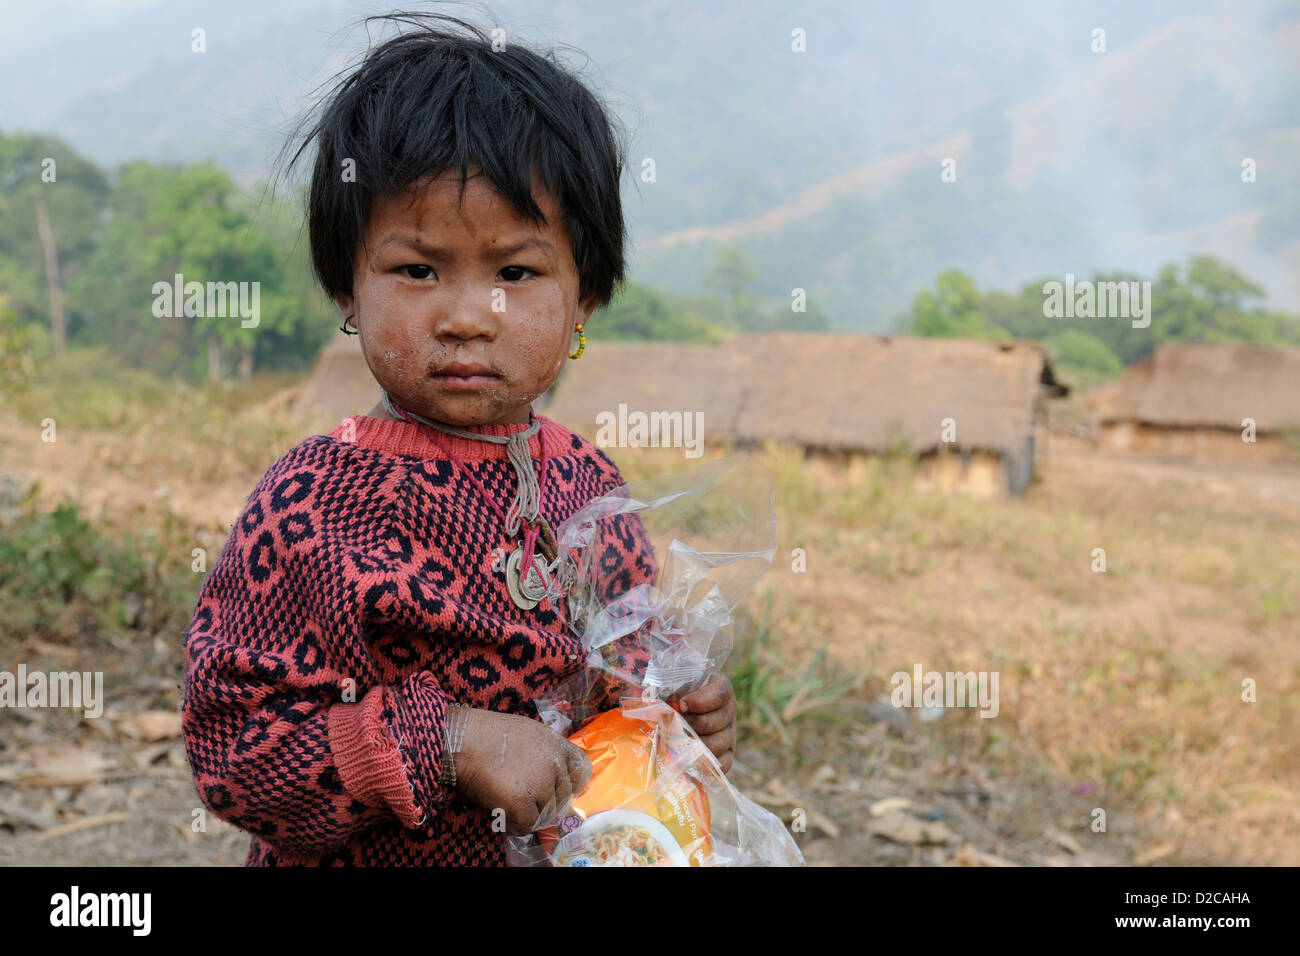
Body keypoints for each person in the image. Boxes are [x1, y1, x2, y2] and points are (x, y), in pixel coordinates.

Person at [179, 11, 737, 867]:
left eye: (516, 272)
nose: (469, 316)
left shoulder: (588, 485)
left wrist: (677, 714)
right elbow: (234, 754)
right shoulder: (312, 505)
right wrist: (447, 740)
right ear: (347, 287)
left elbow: (622, 684)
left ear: (583, 296)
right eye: (417, 270)